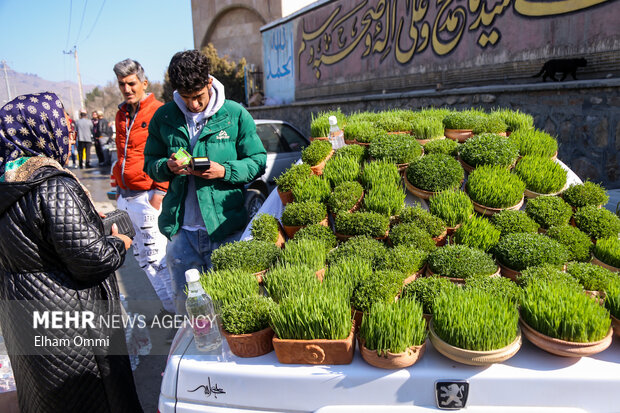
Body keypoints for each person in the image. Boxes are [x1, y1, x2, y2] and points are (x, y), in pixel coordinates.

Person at [0, 92, 143, 413]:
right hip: (72, 326)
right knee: (97, 399)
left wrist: (89, 221)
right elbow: (91, 260)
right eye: (59, 122)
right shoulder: (52, 185)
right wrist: (119, 243)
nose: (65, 131)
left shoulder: (7, 181)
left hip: (25, 321)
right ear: (42, 129)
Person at [144, 49, 267, 314]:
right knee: (189, 313)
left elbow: (258, 160)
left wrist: (223, 170)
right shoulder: (164, 117)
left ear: (209, 82)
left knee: (233, 309)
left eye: (198, 96)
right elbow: (150, 164)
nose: (194, 105)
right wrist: (167, 166)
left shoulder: (234, 114)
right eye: (186, 98)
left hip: (226, 230)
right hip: (181, 236)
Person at [112, 58, 176, 315]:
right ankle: (169, 308)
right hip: (126, 198)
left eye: (131, 83)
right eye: (121, 84)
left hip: (148, 198)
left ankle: (178, 315)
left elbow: (172, 152)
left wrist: (159, 192)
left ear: (143, 83)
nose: (127, 89)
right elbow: (120, 154)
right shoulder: (120, 114)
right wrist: (117, 184)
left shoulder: (159, 111)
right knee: (141, 260)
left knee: (158, 260)